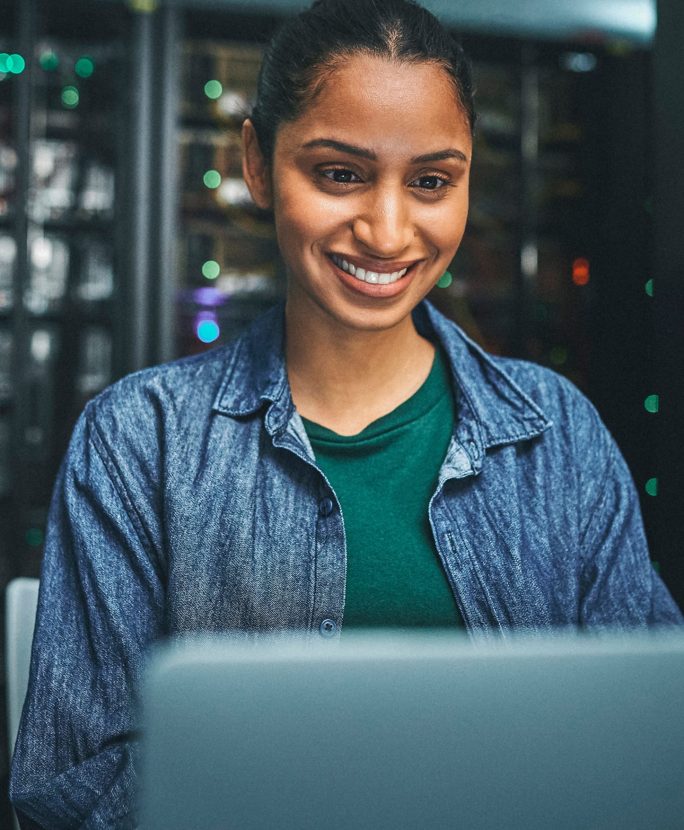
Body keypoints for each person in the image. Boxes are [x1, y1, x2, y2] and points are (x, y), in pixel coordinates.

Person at [10, 0, 683, 826]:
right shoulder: (136, 442)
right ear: (257, 162)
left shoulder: (558, 434)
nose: (387, 230)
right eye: (340, 173)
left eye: (431, 181)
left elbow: (647, 745)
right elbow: (71, 792)